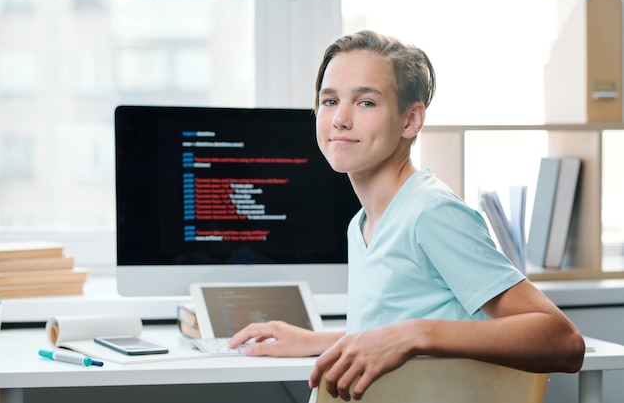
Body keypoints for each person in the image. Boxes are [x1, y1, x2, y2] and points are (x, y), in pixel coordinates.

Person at [229, 30, 585, 401]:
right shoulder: (363, 224)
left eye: (366, 102)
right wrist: (312, 340)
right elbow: (390, 330)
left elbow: (563, 340)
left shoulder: (432, 213)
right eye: (330, 100)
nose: (340, 119)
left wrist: (417, 334)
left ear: (410, 120)